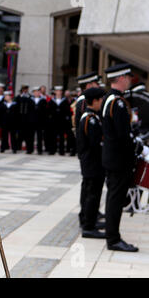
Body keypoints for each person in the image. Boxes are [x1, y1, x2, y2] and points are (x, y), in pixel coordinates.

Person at [101, 63, 145, 252]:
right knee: (116, 199)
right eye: (127, 78)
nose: (129, 81)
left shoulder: (112, 99)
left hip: (114, 158)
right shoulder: (116, 102)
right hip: (119, 159)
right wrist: (138, 146)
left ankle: (113, 236)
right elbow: (122, 135)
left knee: (114, 198)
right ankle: (113, 239)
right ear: (120, 78)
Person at [77, 87, 106, 238]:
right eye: (101, 100)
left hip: (92, 163)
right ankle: (88, 226)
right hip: (92, 163)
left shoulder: (92, 117)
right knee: (92, 195)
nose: (102, 102)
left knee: (92, 193)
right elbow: (96, 144)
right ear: (94, 101)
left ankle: (90, 219)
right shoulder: (90, 119)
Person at [15, 85, 35, 153]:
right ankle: (18, 147)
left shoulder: (30, 97)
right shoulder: (18, 97)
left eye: (26, 89)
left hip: (28, 120)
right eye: (24, 89)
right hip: (20, 119)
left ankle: (29, 149)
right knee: (19, 134)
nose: (25, 90)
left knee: (28, 135)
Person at [31, 87, 47, 154]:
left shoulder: (43, 100)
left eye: (38, 91)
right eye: (35, 92)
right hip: (31, 121)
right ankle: (30, 149)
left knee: (39, 136)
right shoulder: (30, 100)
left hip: (40, 121)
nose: (36, 93)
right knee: (30, 136)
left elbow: (45, 111)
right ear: (33, 93)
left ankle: (39, 150)